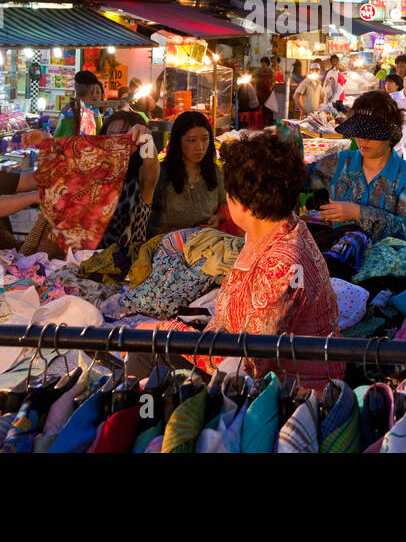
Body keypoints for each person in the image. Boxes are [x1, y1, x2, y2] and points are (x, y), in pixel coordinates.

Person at [154, 133, 342, 392]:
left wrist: (168, 331)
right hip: (250, 370)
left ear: (240, 203)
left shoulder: (280, 265)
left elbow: (247, 363)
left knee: (146, 356)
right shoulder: (278, 229)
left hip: (290, 395)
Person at [307, 90, 406, 243]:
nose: (363, 139)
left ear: (389, 134)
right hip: (340, 259)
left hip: (387, 262)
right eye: (359, 131)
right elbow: (299, 180)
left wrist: (358, 212)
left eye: (372, 133)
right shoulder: (337, 163)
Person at [151, 110, 227, 236]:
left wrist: (218, 217)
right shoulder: (161, 173)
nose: (200, 147)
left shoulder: (213, 171)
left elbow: (224, 203)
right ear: (178, 141)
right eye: (192, 140)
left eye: (205, 139)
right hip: (166, 248)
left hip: (204, 245)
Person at [95, 110, 161, 252]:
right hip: (86, 260)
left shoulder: (142, 177)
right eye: (110, 135)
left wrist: (146, 139)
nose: (115, 140)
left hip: (126, 267)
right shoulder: (95, 176)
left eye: (124, 134)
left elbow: (152, 163)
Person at [53, 69, 105, 137]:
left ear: (75, 87)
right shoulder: (94, 113)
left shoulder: (66, 109)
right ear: (93, 91)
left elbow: (57, 136)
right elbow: (99, 138)